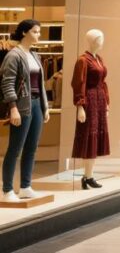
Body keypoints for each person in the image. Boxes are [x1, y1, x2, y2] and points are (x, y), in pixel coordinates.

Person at [2, 20, 50, 203]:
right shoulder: (13, 55)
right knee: (15, 148)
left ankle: (25, 186)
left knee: (31, 148)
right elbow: (7, 84)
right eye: (36, 31)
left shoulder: (35, 55)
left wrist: (45, 107)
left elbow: (40, 85)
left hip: (36, 105)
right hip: (22, 106)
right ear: (24, 33)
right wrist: (13, 108)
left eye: (39, 31)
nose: (39, 35)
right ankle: (7, 190)